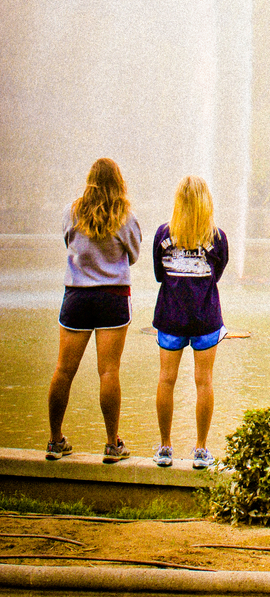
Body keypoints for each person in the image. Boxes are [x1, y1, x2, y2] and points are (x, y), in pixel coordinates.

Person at [47, 158, 141, 463]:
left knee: (63, 369)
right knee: (109, 371)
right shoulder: (124, 216)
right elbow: (135, 254)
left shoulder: (72, 212)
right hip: (112, 297)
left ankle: (55, 440)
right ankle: (112, 445)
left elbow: (68, 242)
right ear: (118, 181)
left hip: (76, 296)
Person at [152, 176, 228, 469]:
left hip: (170, 317)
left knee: (166, 380)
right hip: (205, 318)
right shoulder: (217, 237)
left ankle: (165, 447)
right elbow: (216, 274)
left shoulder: (163, 234)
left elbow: (160, 275)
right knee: (204, 381)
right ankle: (200, 449)